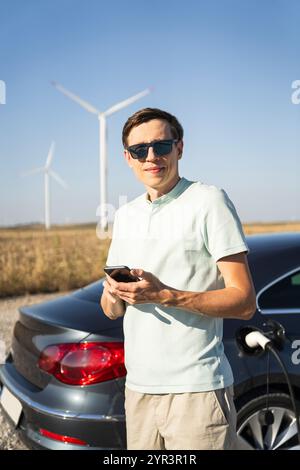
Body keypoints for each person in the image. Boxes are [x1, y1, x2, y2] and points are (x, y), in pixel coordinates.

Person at [100, 108, 256, 450]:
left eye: (161, 146)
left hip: (196, 391)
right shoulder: (125, 216)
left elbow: (244, 302)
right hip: (138, 390)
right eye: (140, 150)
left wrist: (164, 295)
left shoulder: (209, 201)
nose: (151, 157)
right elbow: (111, 310)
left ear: (179, 148)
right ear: (127, 158)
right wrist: (114, 294)